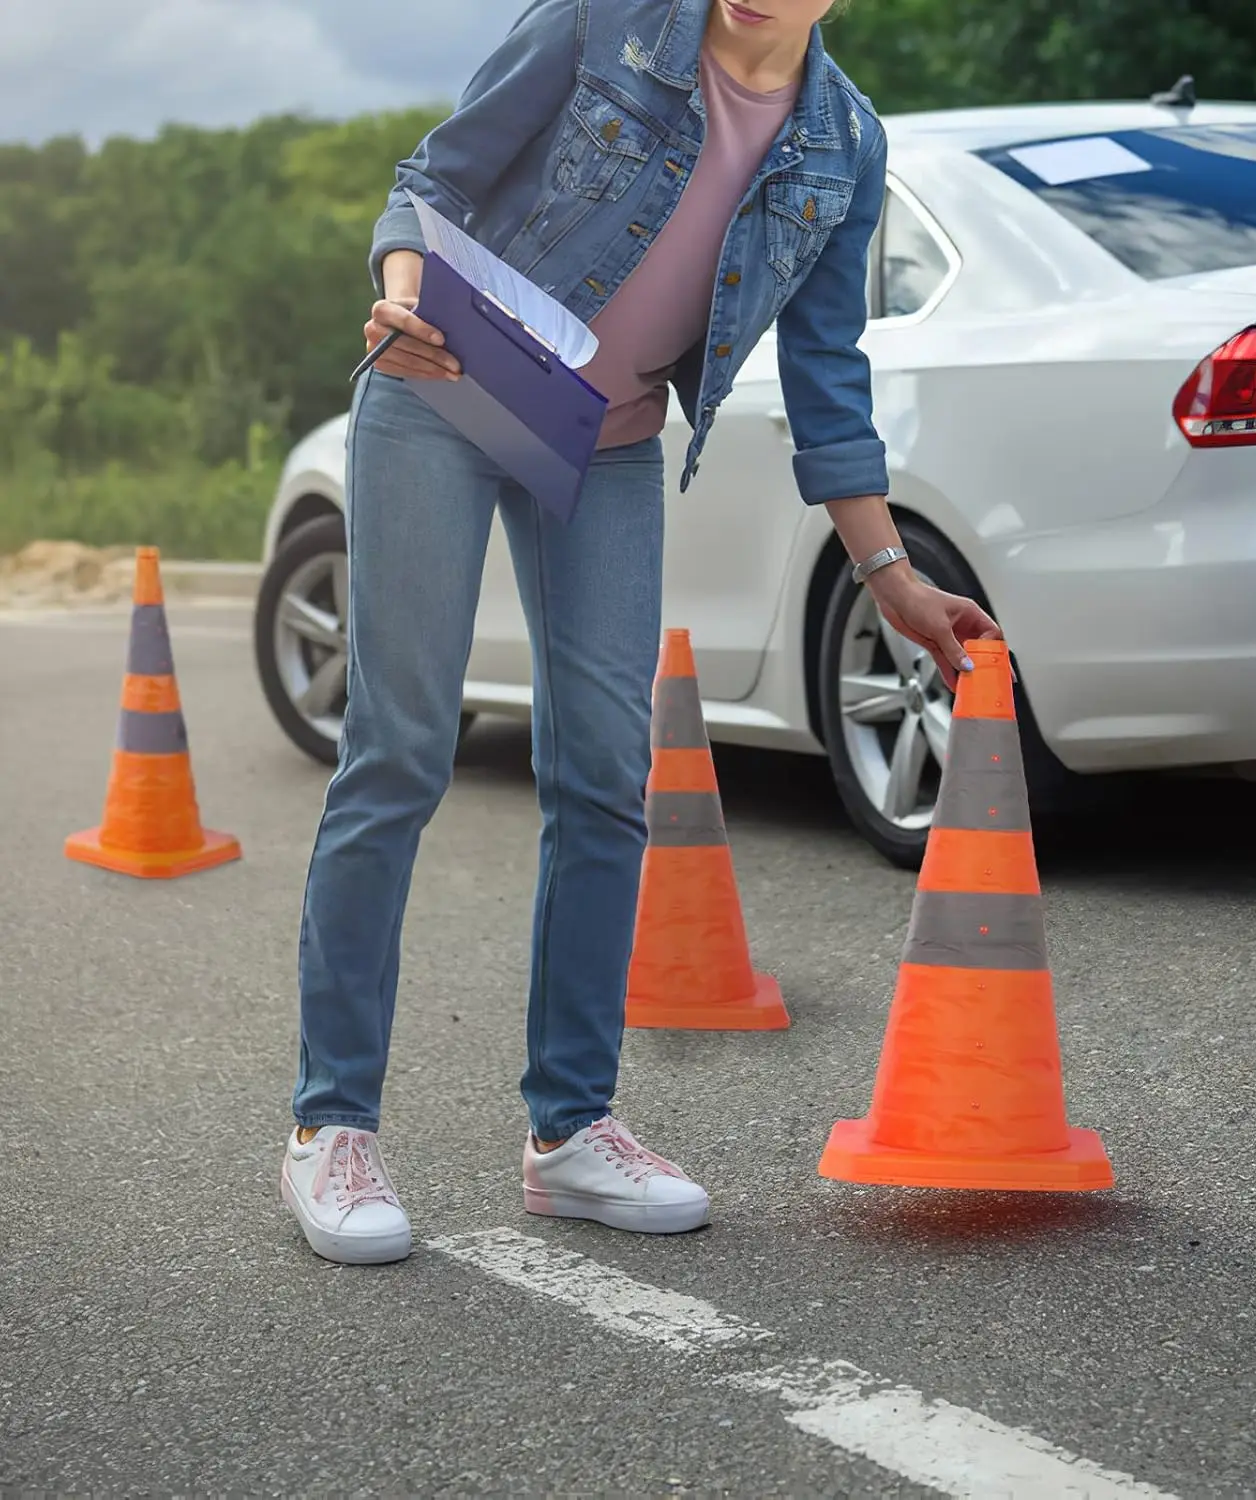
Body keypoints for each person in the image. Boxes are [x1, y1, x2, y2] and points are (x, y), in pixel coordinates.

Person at [278, 0, 1001, 1265]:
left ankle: (570, 1132)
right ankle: (329, 1128)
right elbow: (430, 181)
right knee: (397, 754)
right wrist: (403, 290)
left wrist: (890, 577)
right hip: (438, 396)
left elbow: (830, 377)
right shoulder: (605, 19)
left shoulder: (844, 144)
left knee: (609, 778)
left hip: (604, 444)